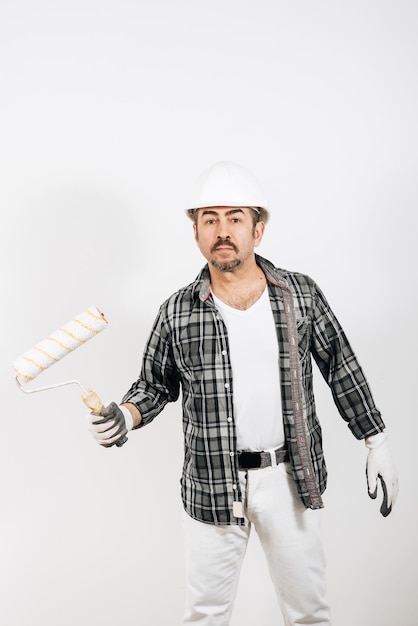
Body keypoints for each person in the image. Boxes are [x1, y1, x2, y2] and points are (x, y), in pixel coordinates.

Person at [88, 161, 399, 626]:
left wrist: (376, 441)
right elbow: (155, 385)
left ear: (259, 229)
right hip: (211, 483)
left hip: (290, 480)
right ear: (196, 233)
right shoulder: (177, 311)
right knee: (206, 615)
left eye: (235, 217)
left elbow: (341, 366)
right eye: (209, 220)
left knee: (309, 614)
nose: (222, 231)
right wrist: (125, 415)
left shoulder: (300, 295)